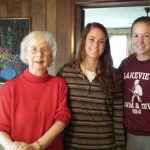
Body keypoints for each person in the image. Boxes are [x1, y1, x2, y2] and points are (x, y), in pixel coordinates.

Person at [57, 22, 125, 150]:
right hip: (72, 145)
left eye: (101, 41)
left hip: (106, 144)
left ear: (105, 46)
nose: (96, 45)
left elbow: (118, 116)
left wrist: (120, 146)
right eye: (92, 39)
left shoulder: (115, 75)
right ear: (83, 41)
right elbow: (57, 111)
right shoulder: (66, 72)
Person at [0, 31, 71, 150]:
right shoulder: (9, 88)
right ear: (26, 54)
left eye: (44, 50)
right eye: (33, 49)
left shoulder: (59, 84)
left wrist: (37, 146)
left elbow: (62, 119)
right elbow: (1, 128)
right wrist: (13, 147)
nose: (39, 54)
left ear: (51, 56)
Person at [119, 16, 150, 150]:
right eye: (136, 35)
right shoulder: (125, 64)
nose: (140, 41)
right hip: (128, 134)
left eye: (146, 35)